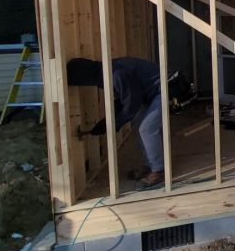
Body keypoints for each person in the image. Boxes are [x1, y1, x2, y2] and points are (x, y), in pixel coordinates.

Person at [66, 57, 165, 188]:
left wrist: (114, 124)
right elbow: (123, 99)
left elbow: (132, 103)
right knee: (140, 125)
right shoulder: (105, 73)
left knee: (146, 128)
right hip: (150, 94)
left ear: (85, 77)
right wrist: (106, 122)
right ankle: (151, 165)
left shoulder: (116, 73)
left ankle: (158, 171)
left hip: (165, 88)